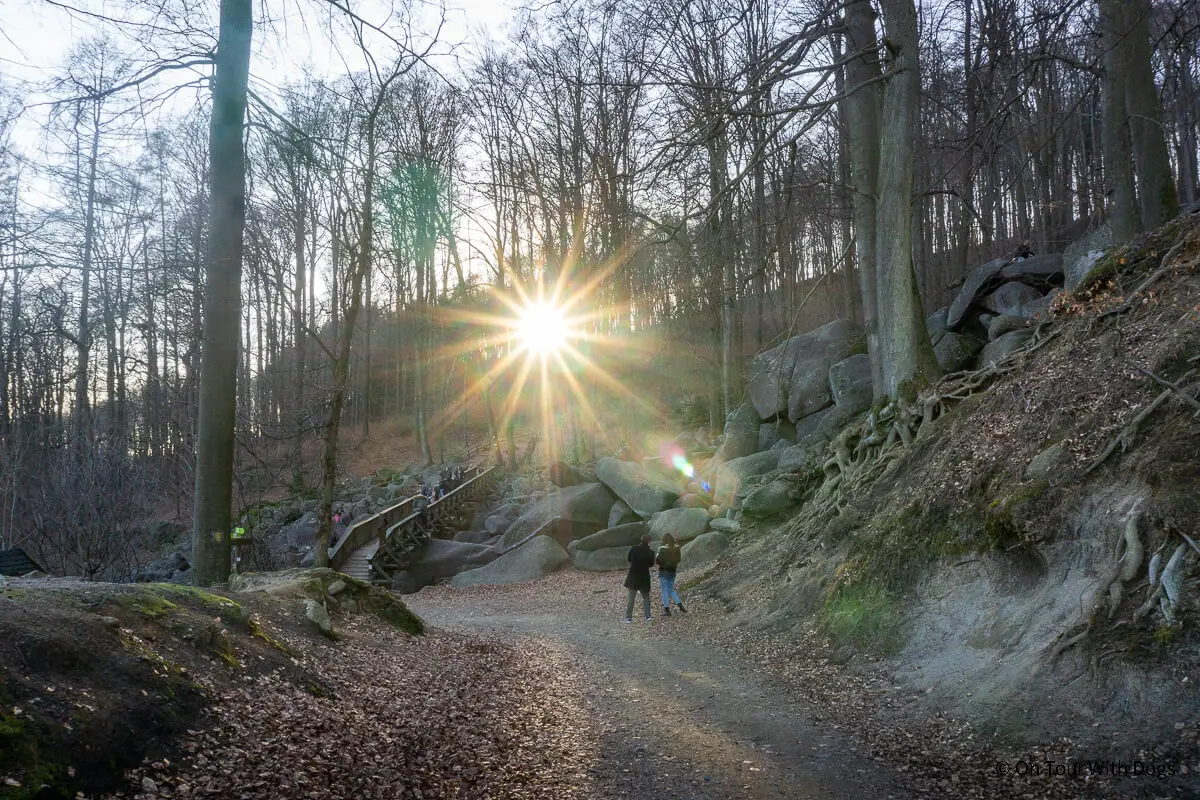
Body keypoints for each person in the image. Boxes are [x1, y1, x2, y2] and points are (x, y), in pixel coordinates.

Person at [623, 533, 655, 623]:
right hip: (644, 577)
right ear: (649, 542)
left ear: (641, 540)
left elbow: (629, 559)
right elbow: (651, 564)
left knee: (631, 598)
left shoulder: (634, 549)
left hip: (633, 576)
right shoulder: (651, 552)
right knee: (646, 597)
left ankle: (628, 617)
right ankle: (648, 616)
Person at [655, 533, 686, 615]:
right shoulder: (677, 548)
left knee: (664, 591)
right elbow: (678, 559)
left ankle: (667, 610)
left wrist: (659, 558)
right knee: (671, 589)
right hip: (673, 571)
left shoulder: (661, 549)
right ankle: (680, 606)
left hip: (664, 571)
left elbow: (658, 561)